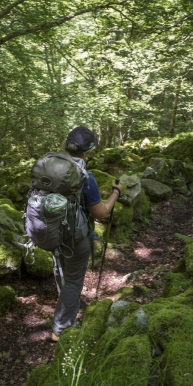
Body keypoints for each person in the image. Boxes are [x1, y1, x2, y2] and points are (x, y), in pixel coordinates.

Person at [51, 126, 124, 342]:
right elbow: (100, 213)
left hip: (52, 232)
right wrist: (116, 193)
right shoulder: (85, 176)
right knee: (74, 280)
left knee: (60, 271)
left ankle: (65, 304)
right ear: (88, 152)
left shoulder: (51, 169)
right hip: (75, 235)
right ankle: (61, 330)